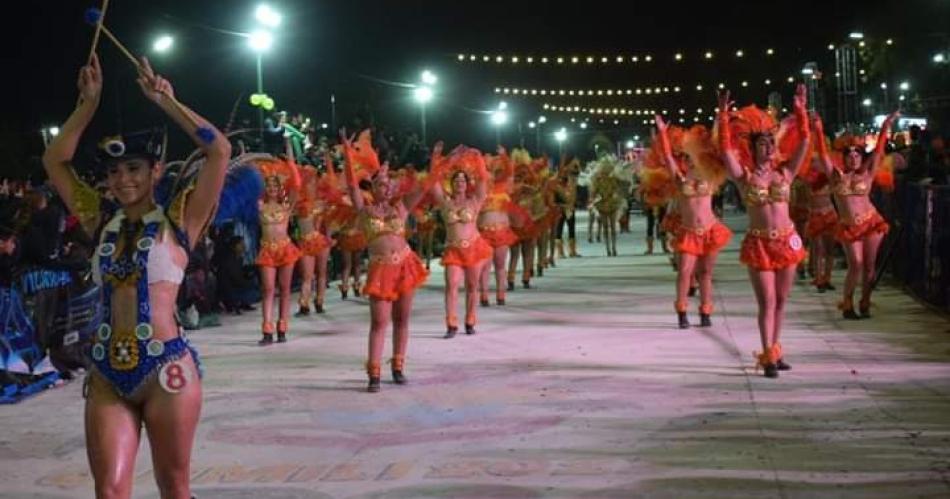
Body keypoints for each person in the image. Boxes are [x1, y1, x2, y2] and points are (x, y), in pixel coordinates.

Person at [42, 54, 229, 499]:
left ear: (155, 171)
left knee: (174, 487)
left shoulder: (181, 218)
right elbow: (55, 161)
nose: (122, 179)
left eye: (134, 169)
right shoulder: (97, 218)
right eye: (113, 171)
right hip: (107, 371)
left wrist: (167, 101)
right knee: (108, 490)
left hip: (168, 370)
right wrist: (87, 105)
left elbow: (218, 149)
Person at [717, 84, 810, 378]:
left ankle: (776, 350)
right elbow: (724, 150)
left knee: (782, 301)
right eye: (762, 144)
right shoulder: (743, 178)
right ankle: (767, 353)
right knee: (767, 301)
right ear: (752, 148)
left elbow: (805, 141)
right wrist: (722, 115)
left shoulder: (786, 173)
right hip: (759, 245)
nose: (768, 147)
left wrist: (801, 110)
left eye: (771, 142)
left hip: (787, 242)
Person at [341, 131, 429, 392]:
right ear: (373, 186)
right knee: (379, 322)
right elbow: (351, 186)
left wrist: (434, 160)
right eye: (381, 183)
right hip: (380, 269)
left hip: (404, 265)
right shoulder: (365, 210)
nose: (387, 187)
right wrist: (347, 152)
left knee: (402, 319)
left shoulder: (400, 208)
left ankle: (398, 366)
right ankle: (374, 372)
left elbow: (423, 187)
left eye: (389, 183)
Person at [811, 112, 898, 319]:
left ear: (861, 157)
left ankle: (865, 301)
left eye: (857, 155)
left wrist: (886, 125)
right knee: (855, 264)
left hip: (871, 223)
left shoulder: (867, 174)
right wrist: (818, 129)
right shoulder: (835, 176)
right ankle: (848, 303)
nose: (853, 158)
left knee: (869, 268)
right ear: (843, 158)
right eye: (849, 155)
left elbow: (878, 151)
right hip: (849, 226)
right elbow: (823, 155)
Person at [652, 118, 733, 328]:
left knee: (706, 273)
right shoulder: (680, 180)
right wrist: (662, 132)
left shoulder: (712, 177)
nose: (689, 161)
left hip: (710, 230)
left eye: (693, 157)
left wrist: (721, 119)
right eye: (686, 158)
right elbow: (668, 157)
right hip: (688, 232)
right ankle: (682, 311)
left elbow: (725, 152)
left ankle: (706, 312)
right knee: (685, 271)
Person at [431, 144, 492, 337]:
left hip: (474, 248)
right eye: (456, 180)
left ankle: (470, 321)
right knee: (451, 285)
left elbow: (483, 180)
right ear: (451, 183)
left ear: (467, 183)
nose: (460, 183)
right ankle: (451, 324)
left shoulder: (475, 201)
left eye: (463, 180)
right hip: (453, 250)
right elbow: (432, 183)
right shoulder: (445, 203)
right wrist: (436, 158)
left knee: (472, 287)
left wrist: (478, 159)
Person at [255, 158, 301, 345]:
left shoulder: (286, 206)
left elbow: (297, 185)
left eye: (275, 185)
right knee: (267, 289)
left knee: (285, 289)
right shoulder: (259, 206)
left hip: (285, 249)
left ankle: (282, 328)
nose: (272, 188)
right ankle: (267, 330)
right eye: (269, 185)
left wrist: (290, 161)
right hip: (267, 249)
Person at [478, 149, 518, 306]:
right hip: (484, 232)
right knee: (485, 267)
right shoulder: (478, 192)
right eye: (486, 173)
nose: (489, 176)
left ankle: (501, 295)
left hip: (502, 231)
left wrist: (504, 156)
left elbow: (510, 171)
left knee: (500, 265)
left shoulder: (503, 187)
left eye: (492, 172)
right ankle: (484, 296)